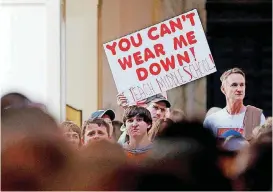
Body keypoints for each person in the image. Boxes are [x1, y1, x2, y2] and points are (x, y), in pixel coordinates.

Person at [203, 68, 266, 140]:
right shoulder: (212, 120)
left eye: (242, 85)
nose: (239, 89)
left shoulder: (257, 116)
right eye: (234, 85)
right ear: (223, 89)